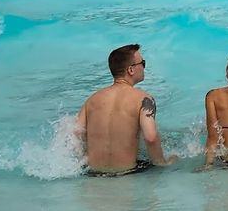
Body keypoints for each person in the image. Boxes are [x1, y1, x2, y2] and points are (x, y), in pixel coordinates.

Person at [74, 44, 176, 175]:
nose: (144, 67)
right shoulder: (144, 99)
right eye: (142, 63)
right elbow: (151, 137)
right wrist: (162, 163)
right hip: (126, 174)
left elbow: (76, 134)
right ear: (131, 70)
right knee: (175, 157)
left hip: (93, 174)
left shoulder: (92, 100)